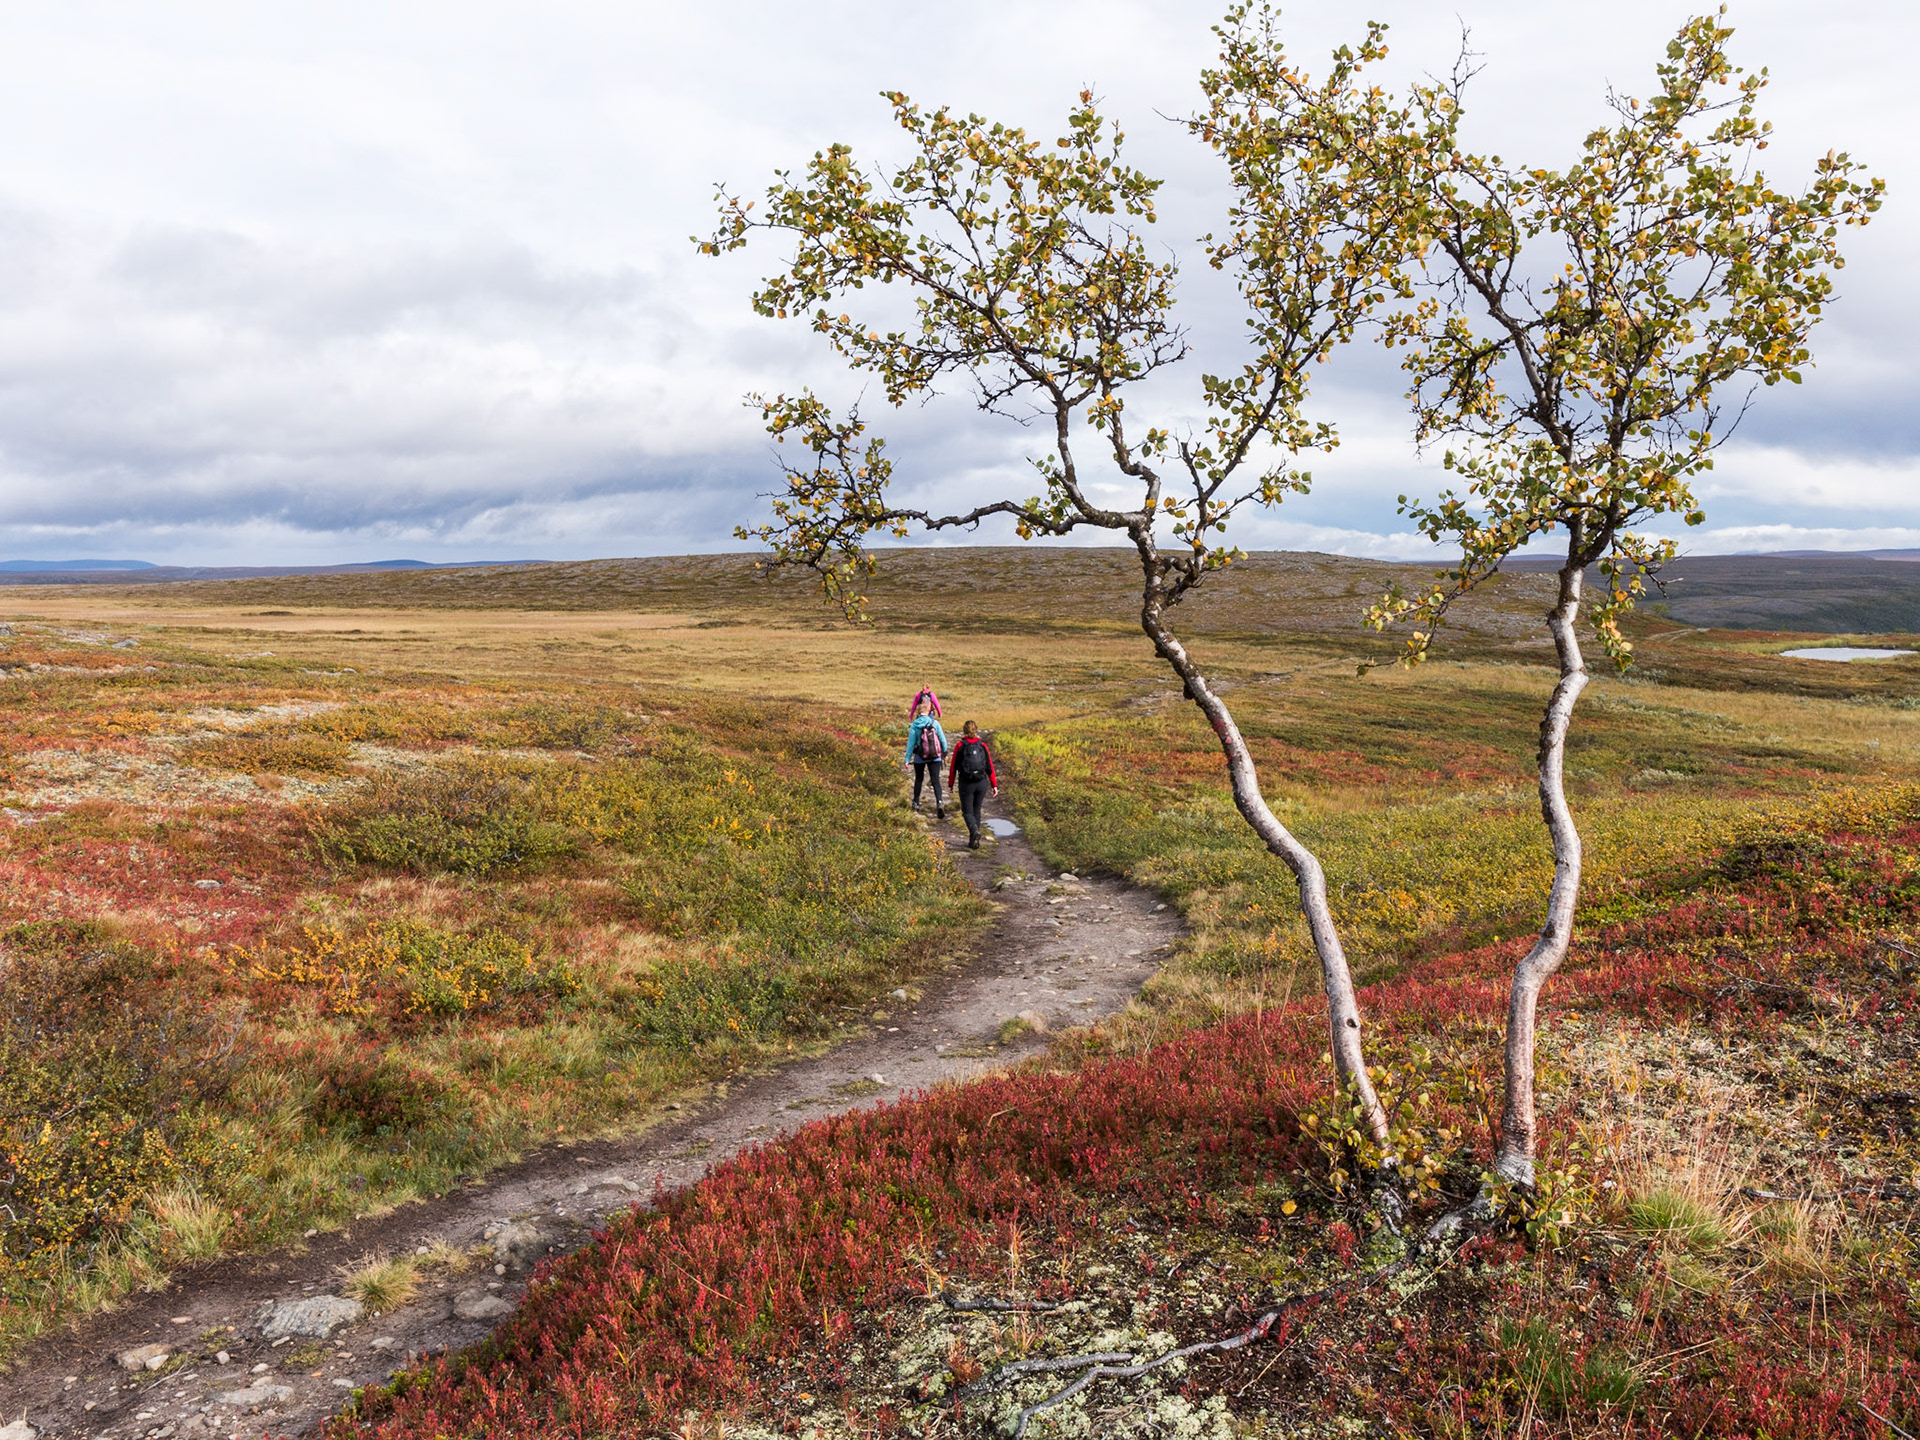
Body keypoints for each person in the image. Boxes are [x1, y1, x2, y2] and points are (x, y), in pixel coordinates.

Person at [947, 720, 998, 849]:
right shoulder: (982, 745)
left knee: (967, 812)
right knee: (976, 811)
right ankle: (974, 842)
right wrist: (994, 785)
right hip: (981, 782)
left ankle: (974, 832)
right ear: (976, 730)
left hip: (966, 783)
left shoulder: (960, 746)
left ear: (964, 730)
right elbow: (989, 766)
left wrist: (951, 783)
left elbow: (953, 767)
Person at [904, 698, 949, 816]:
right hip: (935, 756)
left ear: (918, 713)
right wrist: (945, 753)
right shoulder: (935, 723)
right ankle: (939, 802)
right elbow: (943, 740)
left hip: (920, 756)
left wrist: (907, 759)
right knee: (936, 780)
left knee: (919, 779)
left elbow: (910, 743)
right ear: (929, 712)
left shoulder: (915, 725)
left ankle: (916, 803)